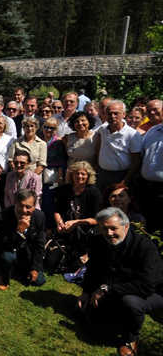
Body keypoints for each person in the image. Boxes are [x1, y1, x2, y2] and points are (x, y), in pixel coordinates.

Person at [77, 207, 163, 356]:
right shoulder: (99, 241)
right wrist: (86, 291)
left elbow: (147, 284)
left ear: (126, 226)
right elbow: (93, 269)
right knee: (92, 321)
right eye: (104, 228)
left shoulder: (146, 247)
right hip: (116, 286)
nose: (109, 233)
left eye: (113, 228)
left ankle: (131, 338)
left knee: (131, 303)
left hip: (150, 292)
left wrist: (107, 289)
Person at [0, 189, 46, 290]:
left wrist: (35, 268)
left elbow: (40, 244)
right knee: (7, 257)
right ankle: (4, 276)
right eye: (20, 205)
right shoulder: (3, 216)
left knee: (39, 281)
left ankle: (16, 271)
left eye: (28, 207)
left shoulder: (40, 217)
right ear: (15, 203)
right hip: (8, 251)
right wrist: (19, 231)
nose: (24, 210)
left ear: (34, 207)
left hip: (27, 253)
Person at [54, 161, 102, 273]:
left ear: (88, 176)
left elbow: (97, 220)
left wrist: (76, 222)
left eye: (83, 174)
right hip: (66, 227)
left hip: (85, 229)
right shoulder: (64, 190)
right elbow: (57, 210)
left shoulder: (94, 192)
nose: (79, 176)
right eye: (76, 173)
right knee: (52, 262)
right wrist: (59, 223)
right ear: (71, 175)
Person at [94, 100, 142, 191]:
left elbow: (136, 161)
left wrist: (125, 181)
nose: (112, 116)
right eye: (109, 113)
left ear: (124, 114)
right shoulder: (102, 129)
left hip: (122, 176)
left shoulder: (132, 134)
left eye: (116, 113)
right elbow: (97, 148)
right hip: (102, 174)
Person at [138, 100, 163, 231]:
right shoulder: (152, 131)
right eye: (149, 111)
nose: (152, 112)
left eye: (155, 109)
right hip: (148, 188)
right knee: (151, 224)